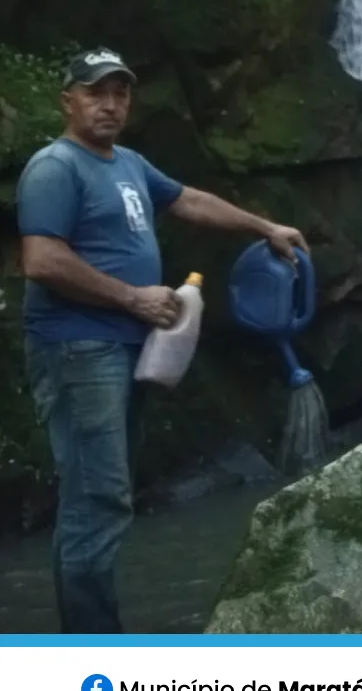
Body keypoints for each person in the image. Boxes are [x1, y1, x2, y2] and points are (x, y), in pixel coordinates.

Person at [16, 46, 310, 634]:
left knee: (104, 497)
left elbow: (189, 200)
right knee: (97, 500)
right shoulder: (55, 167)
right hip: (80, 350)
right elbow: (42, 260)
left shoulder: (127, 163)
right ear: (67, 100)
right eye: (96, 92)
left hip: (125, 350)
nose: (110, 104)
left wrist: (266, 226)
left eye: (120, 92)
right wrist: (133, 298)